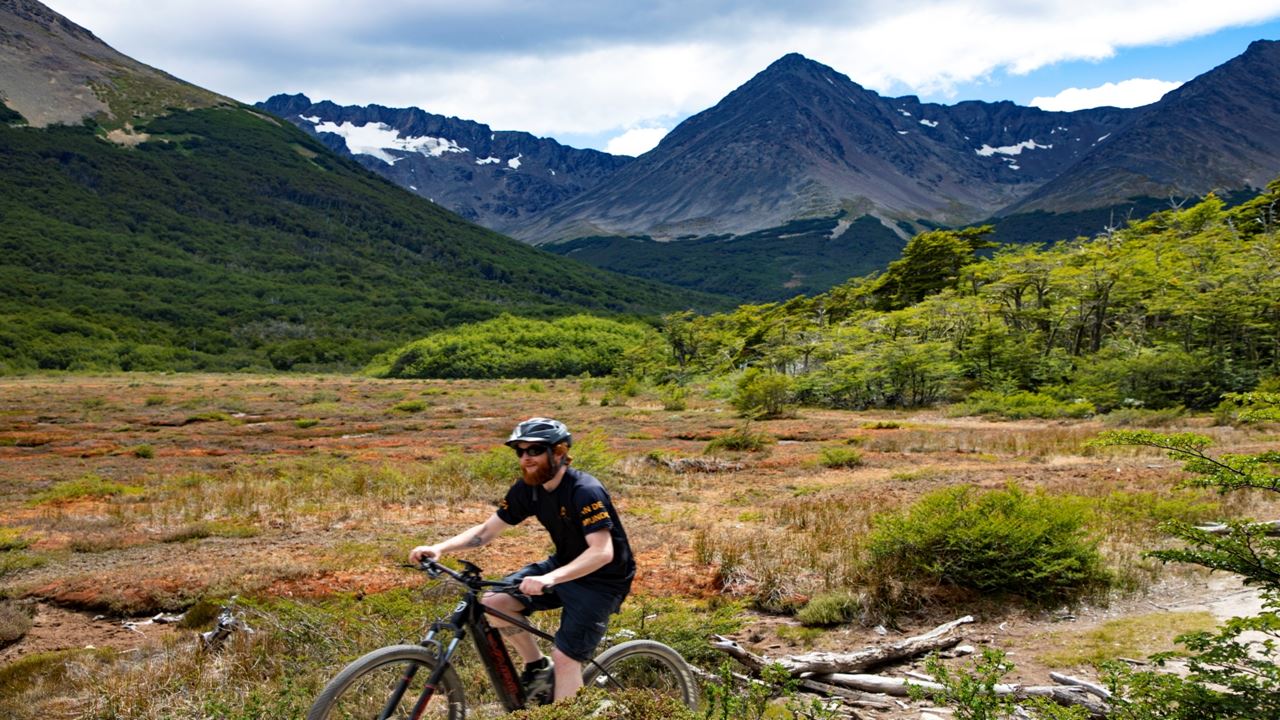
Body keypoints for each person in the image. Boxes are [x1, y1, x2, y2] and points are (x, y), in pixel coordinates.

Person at [409, 417, 635, 703]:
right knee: (493, 603)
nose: (526, 458)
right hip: (564, 564)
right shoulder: (528, 489)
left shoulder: (585, 491)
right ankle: (537, 667)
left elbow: (602, 552)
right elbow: (485, 531)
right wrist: (440, 547)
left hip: (602, 580)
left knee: (566, 658)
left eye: (535, 450)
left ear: (559, 452)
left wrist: (549, 578)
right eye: (520, 451)